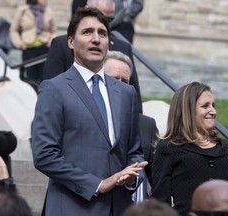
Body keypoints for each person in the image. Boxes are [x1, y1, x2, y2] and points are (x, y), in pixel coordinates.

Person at [31, 7, 147, 216]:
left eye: (102, 33)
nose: (96, 39)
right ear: (71, 42)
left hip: (119, 208)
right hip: (72, 207)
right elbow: (45, 155)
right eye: (87, 32)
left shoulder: (126, 92)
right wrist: (98, 184)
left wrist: (131, 177)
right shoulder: (54, 89)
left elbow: (134, 151)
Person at [151, 82, 228, 216]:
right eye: (205, 106)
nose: (213, 111)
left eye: (213, 105)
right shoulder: (169, 148)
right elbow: (160, 203)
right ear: (187, 111)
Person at [42, 0, 143, 113]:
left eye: (109, 20)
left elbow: (135, 98)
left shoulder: (123, 47)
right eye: (99, 15)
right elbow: (49, 92)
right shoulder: (61, 44)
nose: (105, 22)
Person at [104, 51, 159, 201]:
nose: (120, 86)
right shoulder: (82, 115)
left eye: (125, 81)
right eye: (114, 79)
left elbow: (155, 177)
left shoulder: (147, 125)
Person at [10, 0, 55, 87]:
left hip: (44, 49)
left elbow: (53, 31)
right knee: (30, 79)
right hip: (28, 50)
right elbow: (13, 30)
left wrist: (50, 41)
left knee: (45, 79)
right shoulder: (22, 10)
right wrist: (19, 43)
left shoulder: (48, 11)